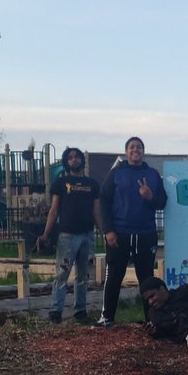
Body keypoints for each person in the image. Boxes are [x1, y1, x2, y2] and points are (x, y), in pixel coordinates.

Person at [96, 137, 168, 328]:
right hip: (119, 234)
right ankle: (107, 317)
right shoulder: (116, 173)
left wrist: (150, 196)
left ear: (143, 151)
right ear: (126, 152)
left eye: (139, 147)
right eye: (132, 147)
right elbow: (103, 201)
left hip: (146, 234)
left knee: (146, 278)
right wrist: (108, 230)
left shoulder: (152, 174)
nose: (135, 150)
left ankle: (150, 319)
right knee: (114, 276)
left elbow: (162, 202)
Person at [38, 147, 102, 324]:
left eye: (77, 157)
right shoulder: (61, 183)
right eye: (70, 158)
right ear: (66, 162)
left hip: (87, 235)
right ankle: (55, 310)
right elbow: (54, 210)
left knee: (83, 275)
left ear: (82, 160)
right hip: (67, 236)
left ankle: (80, 311)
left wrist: (104, 233)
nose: (74, 160)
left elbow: (97, 212)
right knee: (62, 273)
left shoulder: (93, 184)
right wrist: (45, 234)